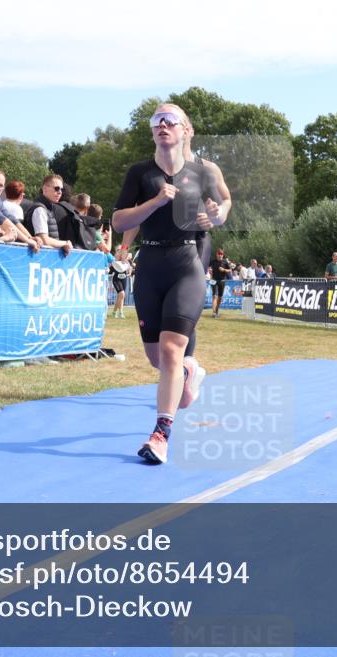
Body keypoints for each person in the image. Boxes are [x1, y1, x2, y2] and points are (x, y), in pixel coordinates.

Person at [111, 103, 223, 464]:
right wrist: (155, 202)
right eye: (157, 121)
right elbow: (118, 220)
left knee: (173, 349)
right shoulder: (140, 173)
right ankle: (189, 370)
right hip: (151, 263)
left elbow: (224, 199)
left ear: (185, 130)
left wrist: (219, 214)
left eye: (170, 120)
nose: (162, 125)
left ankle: (161, 433)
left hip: (187, 261)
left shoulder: (203, 170)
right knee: (157, 358)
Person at [24, 174, 74, 255]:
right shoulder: (39, 209)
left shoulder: (47, 208)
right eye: (56, 188)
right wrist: (65, 243)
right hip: (37, 258)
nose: (60, 192)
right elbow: (44, 240)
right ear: (45, 189)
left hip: (44, 258)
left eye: (61, 189)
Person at [109, 248, 133, 318]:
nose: (121, 254)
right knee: (122, 294)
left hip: (124, 279)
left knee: (121, 296)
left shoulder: (127, 262)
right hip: (116, 279)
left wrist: (129, 271)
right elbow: (110, 271)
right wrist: (110, 266)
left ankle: (115, 312)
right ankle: (120, 312)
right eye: (119, 253)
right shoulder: (115, 262)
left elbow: (129, 270)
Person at [209, 248, 231, 318]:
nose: (220, 255)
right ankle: (214, 312)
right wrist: (209, 270)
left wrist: (224, 270)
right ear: (216, 254)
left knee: (220, 297)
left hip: (222, 281)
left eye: (221, 254)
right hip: (214, 280)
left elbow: (230, 270)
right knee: (214, 296)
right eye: (219, 254)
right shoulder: (213, 261)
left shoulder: (225, 262)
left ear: (223, 255)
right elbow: (209, 268)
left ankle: (216, 310)